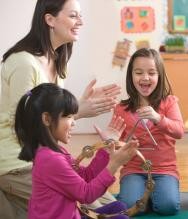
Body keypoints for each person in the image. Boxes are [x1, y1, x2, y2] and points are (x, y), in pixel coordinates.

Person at [0, 0, 120, 218]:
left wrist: (76, 108)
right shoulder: (24, 63)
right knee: (89, 205)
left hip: (45, 158)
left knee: (109, 204)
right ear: (50, 19)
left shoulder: (56, 61)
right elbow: (26, 124)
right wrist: (79, 110)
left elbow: (50, 117)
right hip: (18, 162)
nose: (81, 22)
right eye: (74, 16)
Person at [14, 83, 138, 219]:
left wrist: (106, 149)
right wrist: (113, 165)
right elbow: (86, 194)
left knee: (118, 208)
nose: (74, 122)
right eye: (68, 117)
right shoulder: (50, 159)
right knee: (121, 217)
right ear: (47, 119)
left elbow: (86, 175)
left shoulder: (54, 151)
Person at [110, 48, 184, 215]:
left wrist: (158, 118)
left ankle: (150, 196)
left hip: (164, 170)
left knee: (168, 207)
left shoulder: (169, 102)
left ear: (159, 75)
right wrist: (112, 141)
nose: (145, 77)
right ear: (131, 76)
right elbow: (118, 144)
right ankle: (144, 196)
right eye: (138, 72)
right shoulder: (121, 108)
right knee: (130, 206)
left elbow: (179, 131)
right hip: (134, 170)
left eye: (151, 72)